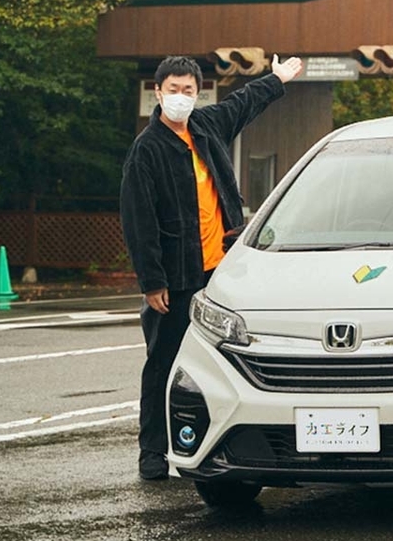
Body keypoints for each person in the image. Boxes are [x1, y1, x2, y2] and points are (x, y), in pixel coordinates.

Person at [121, 53, 302, 480]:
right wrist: (152, 281)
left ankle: (223, 442)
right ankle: (153, 451)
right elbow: (138, 220)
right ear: (157, 94)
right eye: (173, 90)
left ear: (197, 94)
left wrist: (277, 77)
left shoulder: (206, 127)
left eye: (188, 91)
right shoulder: (146, 150)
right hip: (176, 276)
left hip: (222, 273)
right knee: (163, 363)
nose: (180, 98)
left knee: (229, 360)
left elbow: (244, 101)